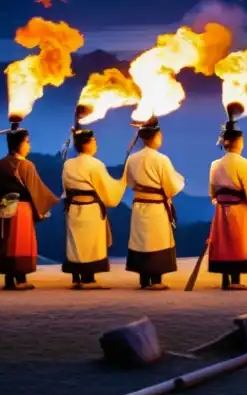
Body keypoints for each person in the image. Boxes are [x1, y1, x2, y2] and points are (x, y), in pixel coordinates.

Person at [208, 110, 247, 290]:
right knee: (236, 242)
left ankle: (225, 279)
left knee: (223, 242)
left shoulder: (214, 165)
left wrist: (220, 203)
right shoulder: (245, 164)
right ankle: (235, 279)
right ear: (238, 142)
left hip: (221, 209)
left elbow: (212, 193)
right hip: (238, 209)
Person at [0, 120, 59, 290]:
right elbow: (37, 189)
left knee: (7, 242)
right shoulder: (26, 165)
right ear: (18, 144)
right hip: (21, 208)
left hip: (3, 207)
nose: (28, 146)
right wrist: (51, 202)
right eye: (27, 142)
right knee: (19, 242)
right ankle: (20, 279)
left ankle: (9, 279)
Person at [124, 117, 185, 290]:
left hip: (139, 206)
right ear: (156, 136)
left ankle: (144, 279)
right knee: (157, 241)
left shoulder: (132, 159)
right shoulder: (162, 159)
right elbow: (171, 186)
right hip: (156, 207)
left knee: (142, 241)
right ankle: (156, 279)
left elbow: (129, 182)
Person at [61, 127, 126, 289]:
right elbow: (107, 189)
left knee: (77, 244)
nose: (96, 144)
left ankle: (78, 276)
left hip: (73, 209)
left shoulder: (68, 164)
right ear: (88, 143)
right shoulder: (95, 165)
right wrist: (123, 181)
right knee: (89, 244)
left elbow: (65, 188)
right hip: (90, 209)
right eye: (94, 141)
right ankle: (88, 278)